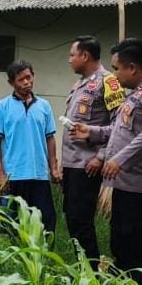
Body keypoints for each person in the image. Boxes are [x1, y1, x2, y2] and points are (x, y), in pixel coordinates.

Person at [71, 38, 142, 285]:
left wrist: (119, 159)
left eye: (117, 68)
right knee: (121, 242)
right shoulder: (135, 96)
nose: (114, 74)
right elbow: (119, 131)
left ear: (132, 68)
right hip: (126, 185)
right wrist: (91, 131)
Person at [60, 36, 123, 265]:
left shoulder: (109, 82)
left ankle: (91, 270)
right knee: (72, 218)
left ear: (85, 56)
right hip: (72, 163)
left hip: (88, 165)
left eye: (72, 55)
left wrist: (101, 156)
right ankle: (82, 268)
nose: (69, 60)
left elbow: (120, 126)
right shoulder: (80, 83)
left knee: (81, 220)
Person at [0, 59, 61, 235]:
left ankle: (41, 253)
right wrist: (0, 173)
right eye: (21, 79)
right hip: (13, 175)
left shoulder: (44, 106)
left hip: (39, 175)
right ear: (11, 83)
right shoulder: (2, 107)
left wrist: (53, 167)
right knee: (11, 226)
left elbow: (50, 138)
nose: (27, 82)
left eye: (29, 77)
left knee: (45, 224)